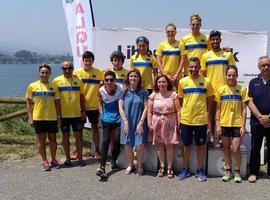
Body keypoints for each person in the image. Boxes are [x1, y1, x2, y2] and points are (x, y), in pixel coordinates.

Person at [177, 57, 213, 181]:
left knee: (201, 145)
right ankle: (185, 169)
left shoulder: (207, 81)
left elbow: (210, 100)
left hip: (201, 120)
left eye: (196, 66)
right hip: (186, 120)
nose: (193, 69)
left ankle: (200, 169)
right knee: (186, 145)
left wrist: (206, 112)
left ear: (200, 67)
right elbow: (181, 99)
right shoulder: (182, 82)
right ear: (188, 67)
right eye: (191, 67)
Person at [201, 30, 236, 145]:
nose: (215, 41)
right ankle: (211, 137)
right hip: (210, 90)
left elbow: (232, 71)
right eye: (213, 39)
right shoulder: (205, 56)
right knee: (210, 114)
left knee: (222, 115)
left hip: (224, 90)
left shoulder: (228, 54)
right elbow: (202, 74)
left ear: (220, 40)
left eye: (217, 39)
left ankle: (221, 138)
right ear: (210, 41)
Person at [215, 65, 249, 183]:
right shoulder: (220, 90)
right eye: (229, 75)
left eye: (233, 75)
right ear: (225, 76)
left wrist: (243, 126)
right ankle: (228, 171)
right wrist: (218, 124)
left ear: (237, 76)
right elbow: (218, 109)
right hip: (224, 124)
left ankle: (237, 171)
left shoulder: (242, 90)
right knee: (225, 148)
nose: (231, 77)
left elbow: (244, 109)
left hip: (237, 124)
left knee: (235, 149)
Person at [26, 64, 61, 171]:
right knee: (41, 141)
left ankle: (53, 160)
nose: (44, 74)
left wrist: (59, 117)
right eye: (42, 72)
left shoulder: (54, 86)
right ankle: (44, 161)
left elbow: (57, 103)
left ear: (50, 74)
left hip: (52, 118)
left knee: (53, 140)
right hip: (39, 118)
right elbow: (28, 103)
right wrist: (30, 117)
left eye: (46, 72)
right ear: (39, 73)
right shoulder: (32, 86)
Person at [53, 61, 86, 167]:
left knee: (78, 138)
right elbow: (56, 100)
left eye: (69, 68)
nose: (67, 70)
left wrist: (83, 111)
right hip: (64, 115)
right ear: (61, 69)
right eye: (64, 68)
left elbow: (81, 97)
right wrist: (58, 116)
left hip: (76, 114)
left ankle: (80, 158)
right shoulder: (56, 81)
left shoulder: (78, 80)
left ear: (72, 69)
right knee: (65, 137)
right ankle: (68, 159)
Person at [148, 75, 180, 178]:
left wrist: (179, 123)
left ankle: (170, 168)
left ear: (167, 83)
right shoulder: (153, 95)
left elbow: (178, 110)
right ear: (156, 84)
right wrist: (149, 123)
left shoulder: (174, 95)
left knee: (170, 145)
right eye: (159, 82)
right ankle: (162, 166)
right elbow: (149, 111)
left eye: (163, 82)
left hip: (170, 121)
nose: (161, 84)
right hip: (156, 121)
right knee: (160, 145)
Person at [119, 68, 149, 176]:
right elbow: (120, 108)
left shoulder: (144, 92)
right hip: (127, 122)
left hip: (139, 121)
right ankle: (130, 165)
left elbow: (146, 108)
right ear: (128, 77)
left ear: (139, 79)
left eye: (136, 76)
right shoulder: (123, 91)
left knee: (140, 145)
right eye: (131, 76)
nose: (133, 78)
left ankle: (140, 166)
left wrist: (141, 123)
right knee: (127, 144)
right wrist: (125, 123)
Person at [74, 51, 103, 159]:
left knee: (94, 128)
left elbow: (105, 84)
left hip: (94, 106)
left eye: (89, 60)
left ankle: (97, 150)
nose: (87, 63)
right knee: (79, 130)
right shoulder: (77, 73)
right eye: (86, 60)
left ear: (92, 61)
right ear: (83, 61)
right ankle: (78, 151)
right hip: (80, 106)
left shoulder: (99, 73)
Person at [96, 71, 122, 178]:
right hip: (106, 119)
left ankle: (113, 160)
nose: (109, 82)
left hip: (118, 119)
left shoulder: (120, 89)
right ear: (104, 81)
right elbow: (99, 101)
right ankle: (102, 167)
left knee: (116, 142)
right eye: (106, 80)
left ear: (115, 80)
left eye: (111, 80)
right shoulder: (101, 90)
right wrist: (102, 113)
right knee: (105, 141)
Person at [248, 55, 270, 183]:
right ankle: (253, 172)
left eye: (268, 65)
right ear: (259, 67)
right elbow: (249, 101)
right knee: (255, 147)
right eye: (263, 65)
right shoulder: (253, 82)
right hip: (257, 121)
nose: (266, 67)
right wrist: (261, 117)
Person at [156, 23, 184, 87]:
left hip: (176, 77)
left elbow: (182, 61)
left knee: (178, 96)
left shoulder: (181, 44)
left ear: (175, 32)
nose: (170, 33)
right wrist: (165, 74)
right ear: (166, 32)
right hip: (164, 76)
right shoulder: (161, 45)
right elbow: (158, 61)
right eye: (168, 32)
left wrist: (176, 75)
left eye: (172, 31)